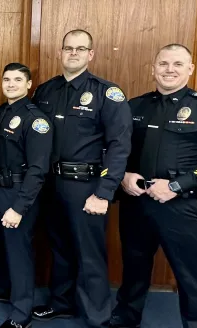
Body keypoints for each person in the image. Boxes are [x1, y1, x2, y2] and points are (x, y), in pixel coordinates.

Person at [109, 44, 197, 328]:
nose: (170, 70)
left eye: (178, 64)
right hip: (137, 202)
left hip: (184, 207)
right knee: (133, 268)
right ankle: (125, 320)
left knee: (194, 276)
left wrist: (177, 185)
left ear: (190, 69)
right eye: (164, 64)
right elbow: (116, 149)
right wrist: (123, 176)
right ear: (153, 68)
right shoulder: (134, 106)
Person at [31, 29, 132, 327]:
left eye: (80, 48)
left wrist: (104, 192)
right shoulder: (46, 91)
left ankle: (98, 317)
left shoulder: (105, 92)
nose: (73, 53)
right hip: (51, 184)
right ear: (60, 52)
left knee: (89, 254)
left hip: (86, 185)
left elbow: (119, 145)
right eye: (68, 48)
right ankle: (61, 303)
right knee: (59, 247)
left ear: (91, 54)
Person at [0, 63, 53, 328]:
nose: (10, 84)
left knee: (18, 252)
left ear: (29, 84)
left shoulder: (36, 120)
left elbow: (37, 169)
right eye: (6, 79)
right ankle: (0, 289)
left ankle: (21, 314)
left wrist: (19, 207)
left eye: (17, 80)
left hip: (18, 193)